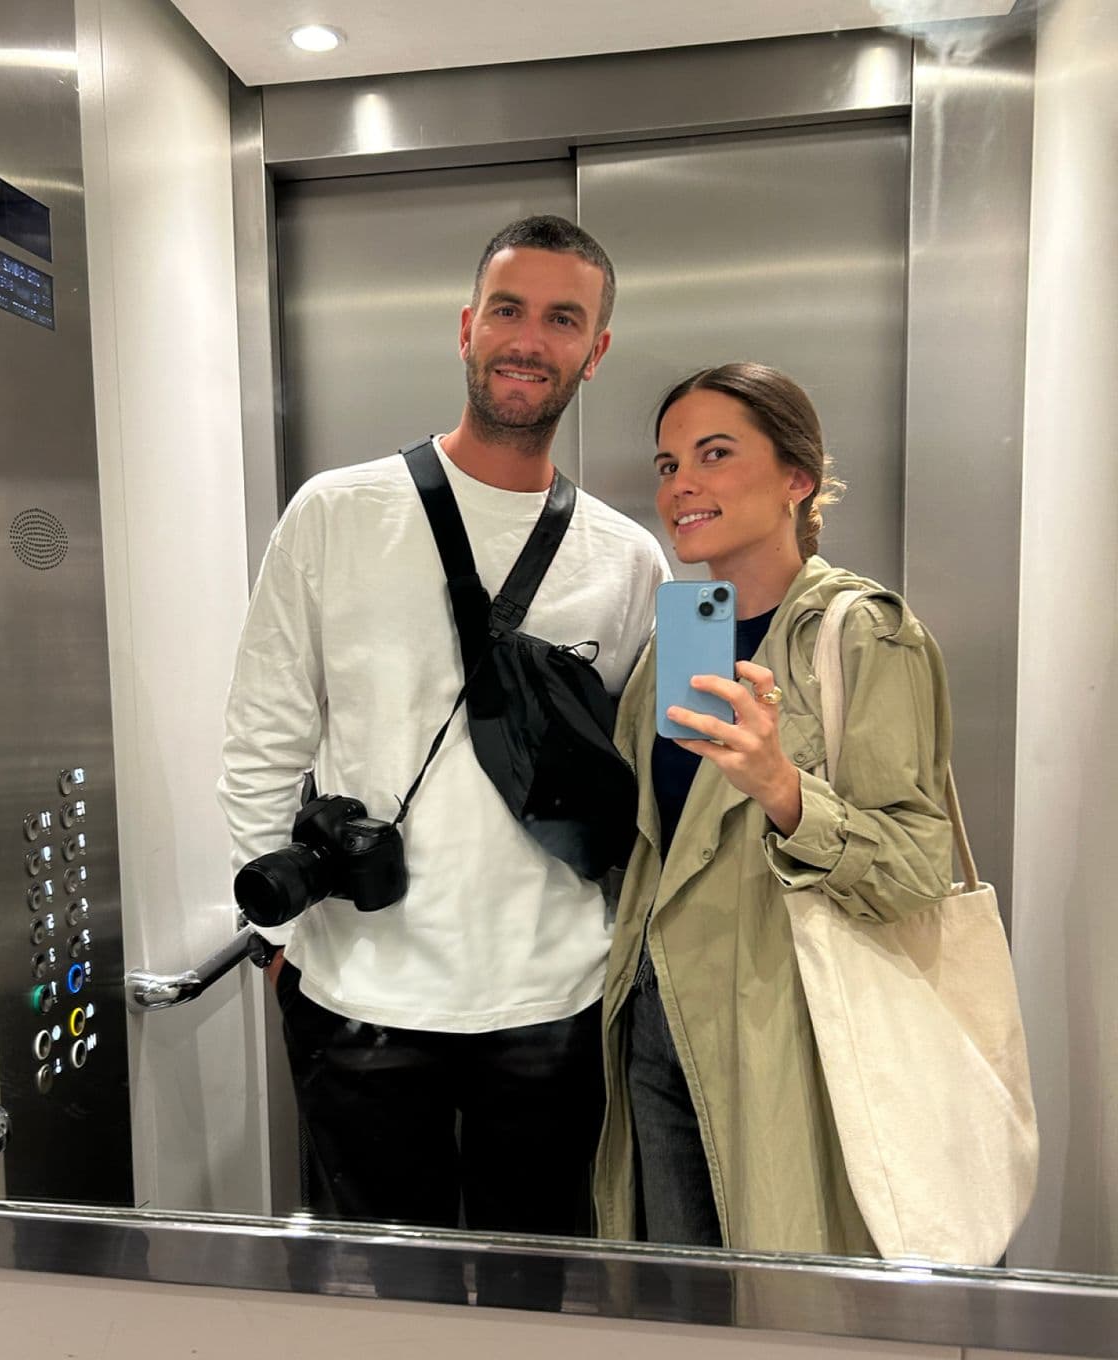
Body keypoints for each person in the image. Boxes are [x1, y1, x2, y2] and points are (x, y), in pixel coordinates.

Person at [218, 216, 668, 1241]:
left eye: (563, 318)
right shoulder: (335, 513)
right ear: (467, 326)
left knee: (539, 1295)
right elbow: (261, 737)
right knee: (387, 1306)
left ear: (593, 352)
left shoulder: (630, 559)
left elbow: (659, 779)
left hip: (554, 1000)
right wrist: (279, 935)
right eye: (507, 309)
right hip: (359, 995)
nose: (528, 337)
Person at [593, 362, 954, 1256]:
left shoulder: (861, 632)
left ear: (798, 478)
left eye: (714, 455)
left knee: (786, 1304)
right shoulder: (675, 641)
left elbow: (916, 868)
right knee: (680, 1299)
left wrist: (784, 791)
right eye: (669, 464)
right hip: (655, 1015)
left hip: (787, 1028)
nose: (682, 486)